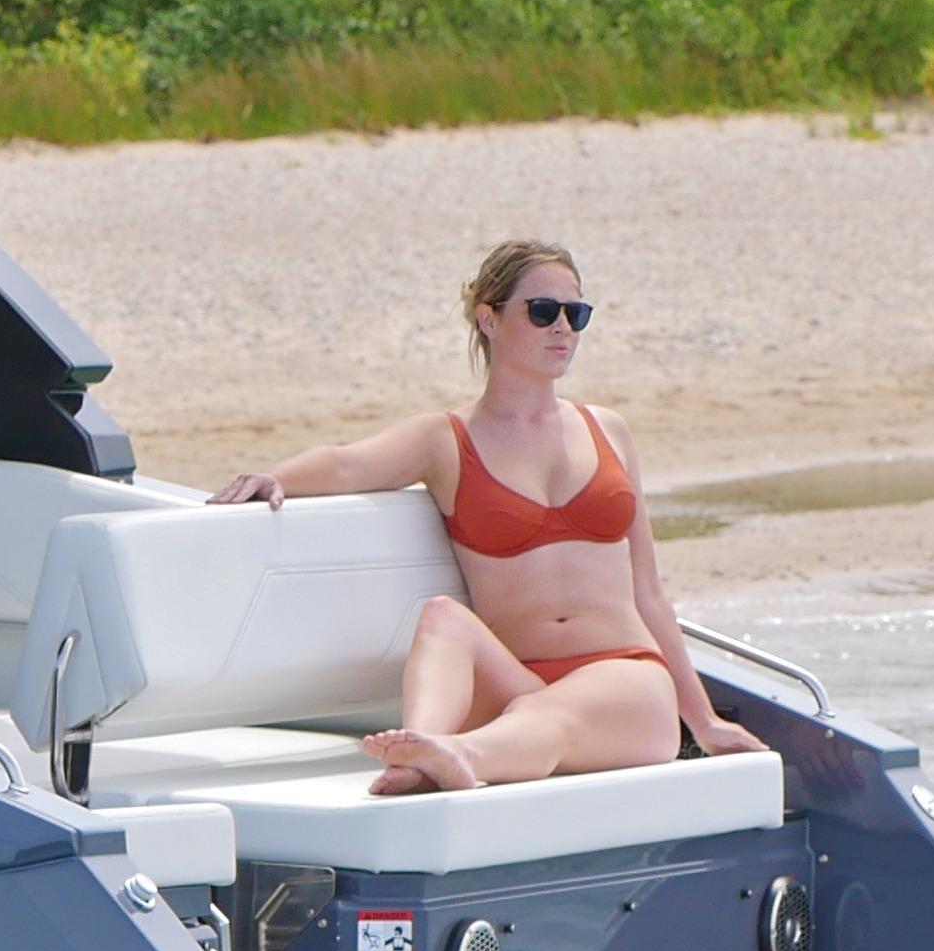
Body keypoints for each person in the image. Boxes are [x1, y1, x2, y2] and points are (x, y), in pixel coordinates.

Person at [210, 240, 766, 795]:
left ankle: (454, 755)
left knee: (546, 720)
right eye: (543, 311)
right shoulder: (446, 440)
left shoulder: (609, 431)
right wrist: (277, 477)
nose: (562, 328)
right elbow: (348, 463)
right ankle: (420, 750)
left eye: (576, 314)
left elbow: (649, 593)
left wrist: (705, 723)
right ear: (488, 319)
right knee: (443, 617)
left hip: (624, 679)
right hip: (515, 683)